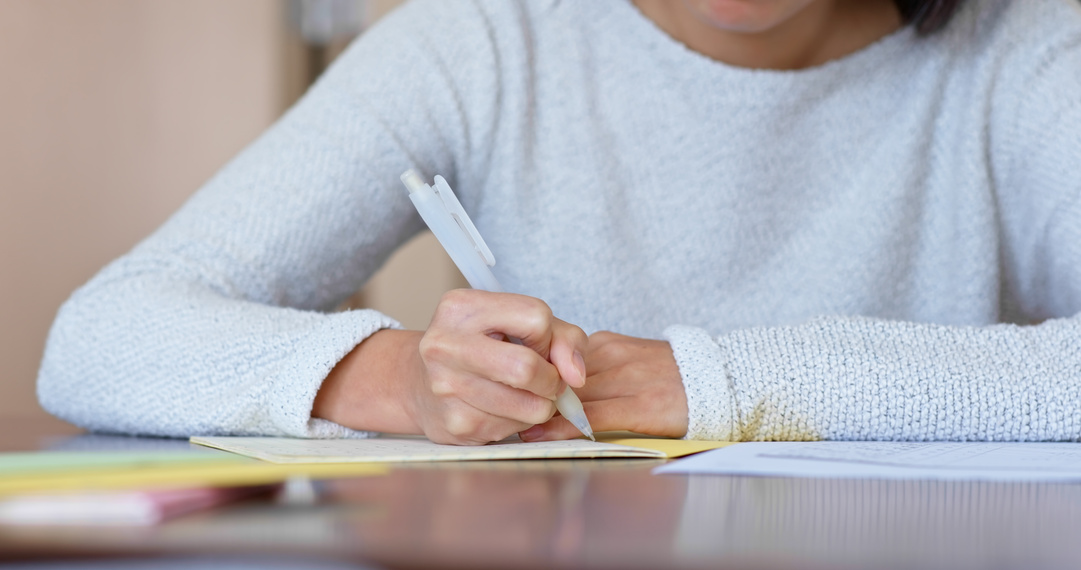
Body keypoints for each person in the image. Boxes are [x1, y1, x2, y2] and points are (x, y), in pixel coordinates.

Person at [37, 0, 1081, 445]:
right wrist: (395, 380)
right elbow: (102, 335)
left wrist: (714, 383)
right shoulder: (483, 39)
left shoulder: (1024, 53)